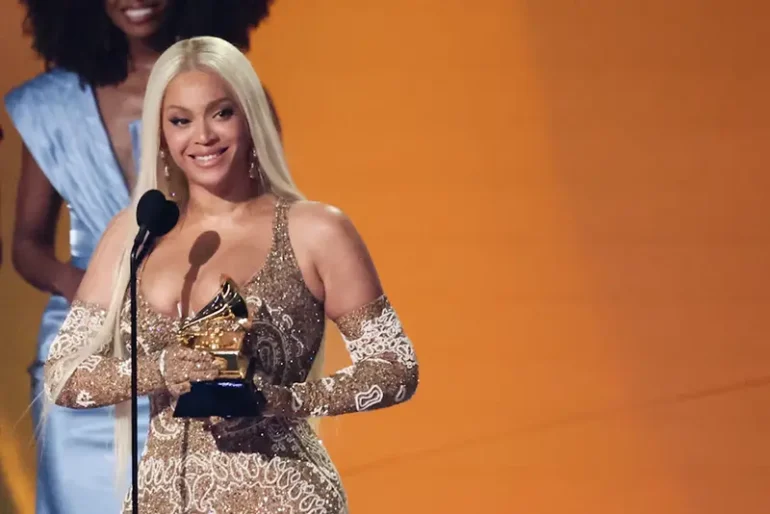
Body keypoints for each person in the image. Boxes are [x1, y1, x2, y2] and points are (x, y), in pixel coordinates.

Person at [44, 36, 419, 513]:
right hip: (163, 500)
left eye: (221, 113)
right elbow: (63, 375)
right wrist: (159, 371)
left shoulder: (316, 230)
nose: (202, 136)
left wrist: (281, 399)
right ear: (161, 133)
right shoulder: (135, 233)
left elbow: (394, 368)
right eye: (180, 120)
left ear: (250, 117)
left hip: (283, 498)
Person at [4, 2, 273, 513]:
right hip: (88, 360)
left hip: (206, 338)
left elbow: (262, 233)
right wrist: (88, 290)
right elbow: (27, 246)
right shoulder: (52, 106)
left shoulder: (228, 92)